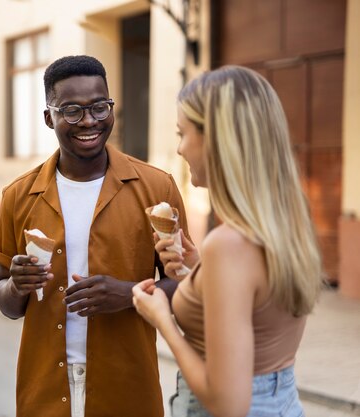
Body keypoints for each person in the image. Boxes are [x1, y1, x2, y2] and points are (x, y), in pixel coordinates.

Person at [0, 55, 191, 417]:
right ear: (48, 117)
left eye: (100, 107)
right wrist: (17, 285)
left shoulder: (156, 187)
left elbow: (187, 286)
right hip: (44, 393)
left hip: (127, 387)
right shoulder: (18, 197)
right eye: (71, 110)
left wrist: (131, 294)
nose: (89, 121)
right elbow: (6, 303)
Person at [133, 66, 323, 417]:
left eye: (183, 133)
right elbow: (258, 306)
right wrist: (197, 271)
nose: (179, 149)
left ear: (217, 139)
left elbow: (227, 405)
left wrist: (163, 320)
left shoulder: (228, 245)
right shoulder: (284, 221)